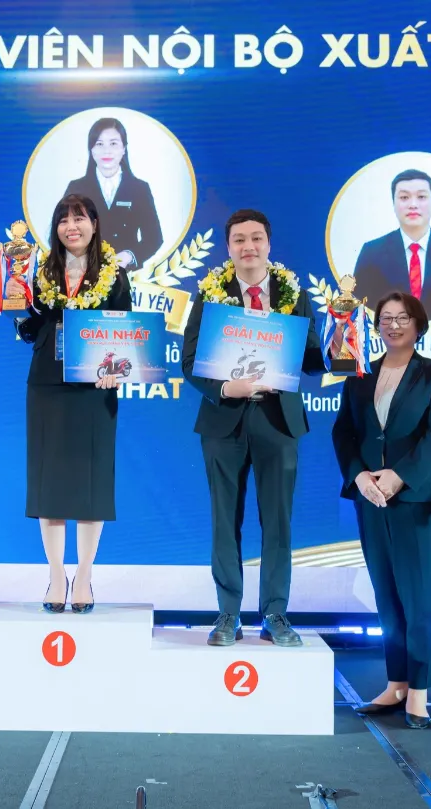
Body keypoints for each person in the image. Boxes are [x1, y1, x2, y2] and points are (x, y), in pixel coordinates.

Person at [181, 209, 326, 647]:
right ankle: (228, 614)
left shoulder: (293, 294)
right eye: (240, 240)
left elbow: (312, 359)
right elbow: (189, 361)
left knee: (278, 522)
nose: (249, 246)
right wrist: (226, 387)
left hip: (278, 421)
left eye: (256, 238)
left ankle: (275, 614)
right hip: (224, 420)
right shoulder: (210, 294)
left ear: (268, 244)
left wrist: (340, 340)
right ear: (229, 248)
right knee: (224, 520)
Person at [331, 291, 431, 729]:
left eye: (403, 317)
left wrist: (399, 476)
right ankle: (396, 683)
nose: (394, 325)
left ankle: (419, 692)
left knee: (417, 597)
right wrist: (360, 477)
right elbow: (344, 433)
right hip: (371, 498)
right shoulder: (360, 375)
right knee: (385, 593)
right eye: (385, 318)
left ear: (418, 324)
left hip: (417, 499)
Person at [16, 194, 132, 613]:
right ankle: (54, 573)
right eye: (63, 220)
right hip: (47, 384)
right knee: (49, 482)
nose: (71, 227)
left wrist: (117, 369)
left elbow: (125, 330)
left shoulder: (114, 274)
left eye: (79, 218)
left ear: (94, 224)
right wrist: (18, 306)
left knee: (90, 482)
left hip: (94, 387)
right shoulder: (37, 270)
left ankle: (83, 574)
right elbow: (31, 327)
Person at [352, 169, 431, 321]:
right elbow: (359, 310)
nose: (413, 205)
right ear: (393, 203)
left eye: (421, 197)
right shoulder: (371, 253)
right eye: (404, 197)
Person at [63, 117, 163, 271]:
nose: (106, 151)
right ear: (91, 149)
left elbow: (154, 238)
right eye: (99, 144)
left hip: (126, 275)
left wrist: (129, 256)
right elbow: (59, 232)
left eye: (113, 143)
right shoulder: (77, 188)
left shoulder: (139, 188)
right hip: (84, 273)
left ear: (124, 148)